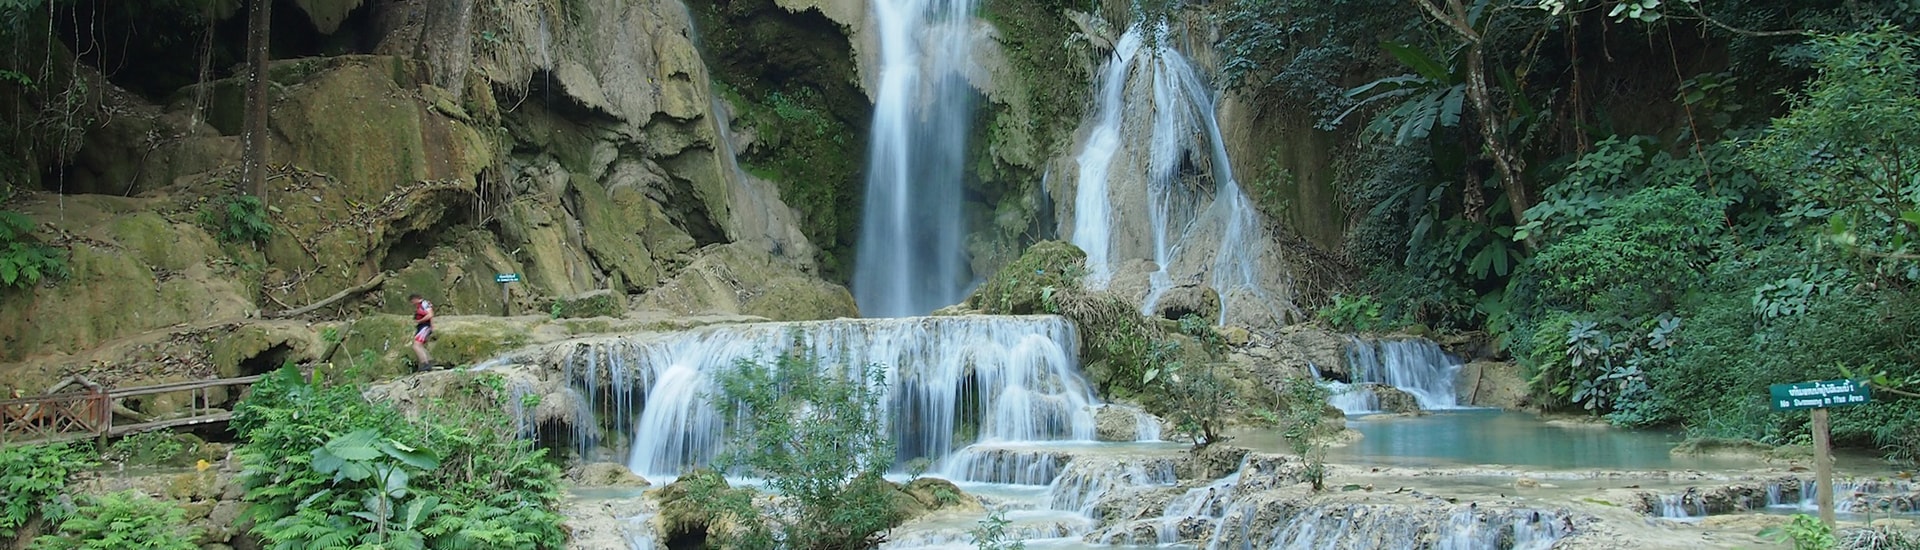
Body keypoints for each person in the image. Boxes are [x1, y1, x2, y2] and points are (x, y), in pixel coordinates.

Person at [408, 293, 436, 371]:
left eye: (412, 301)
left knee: (416, 346)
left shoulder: (424, 303)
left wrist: (419, 321)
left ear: (415, 299)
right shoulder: (420, 305)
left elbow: (430, 315)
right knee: (419, 345)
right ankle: (427, 362)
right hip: (422, 327)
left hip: (425, 326)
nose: (412, 304)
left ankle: (425, 364)